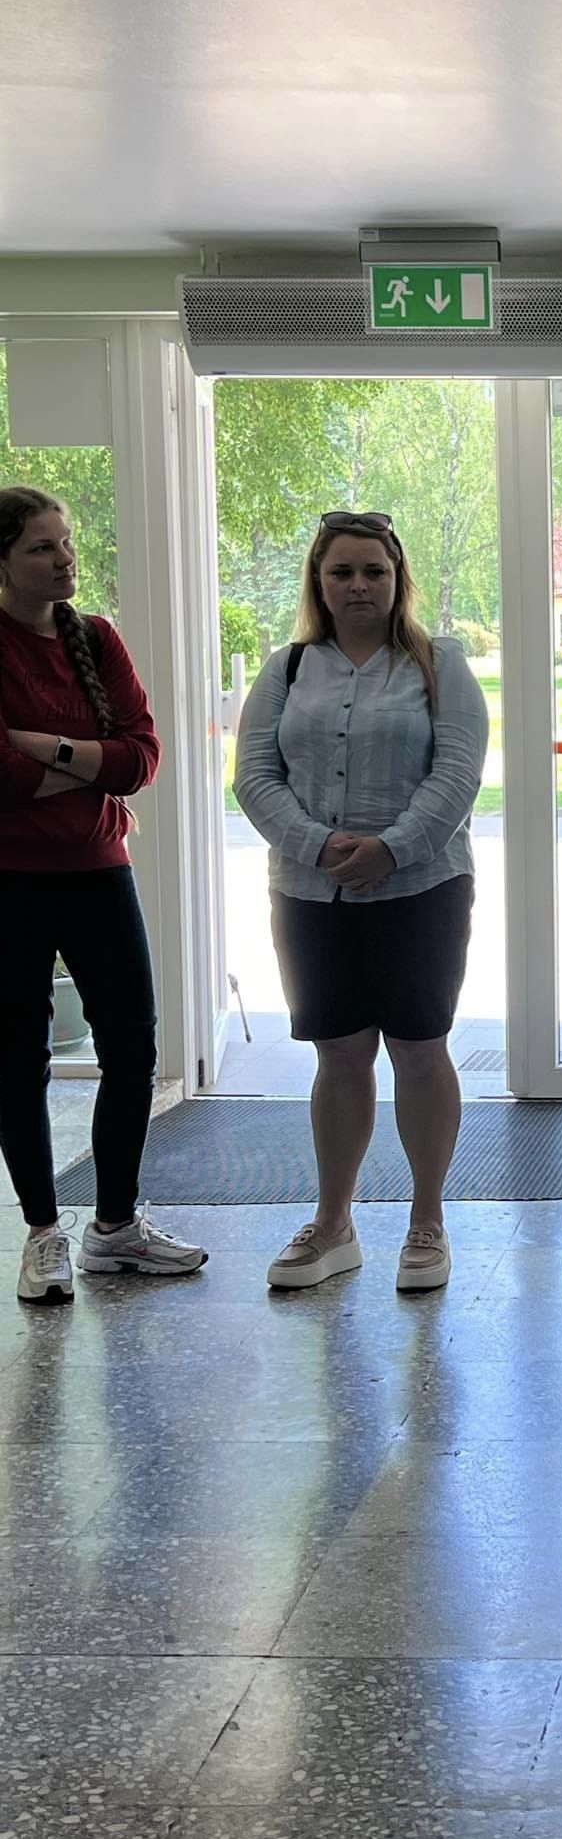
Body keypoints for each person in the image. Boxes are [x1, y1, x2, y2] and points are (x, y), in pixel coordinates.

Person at [235, 512, 489, 1294]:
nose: (358, 586)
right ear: (319, 581)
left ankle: (427, 1222)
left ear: (397, 578)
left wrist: (391, 849)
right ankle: (333, 1224)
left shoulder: (441, 663)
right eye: (341, 571)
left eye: (374, 571)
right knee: (340, 1055)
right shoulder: (286, 668)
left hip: (423, 890)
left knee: (419, 1049)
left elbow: (458, 774)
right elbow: (253, 777)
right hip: (310, 895)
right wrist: (317, 846)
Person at [0, 485, 207, 1301]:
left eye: (66, 542)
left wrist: (46, 751)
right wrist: (90, 763)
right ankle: (42, 1235)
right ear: (3, 561)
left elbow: (141, 758)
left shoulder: (96, 638)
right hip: (10, 880)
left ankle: (114, 1229)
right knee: (17, 1061)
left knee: (132, 1049)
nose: (64, 559)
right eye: (41, 547)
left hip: (98, 869)